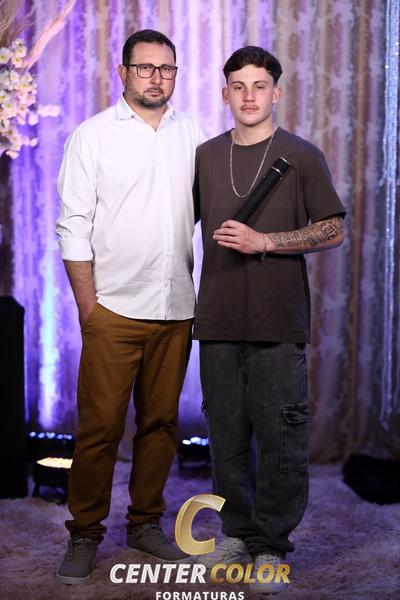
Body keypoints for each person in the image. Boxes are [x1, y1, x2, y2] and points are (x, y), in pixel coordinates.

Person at [55, 29, 205, 585]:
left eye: (166, 69)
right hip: (113, 309)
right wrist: (88, 308)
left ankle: (145, 524)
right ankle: (85, 533)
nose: (156, 78)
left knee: (161, 424)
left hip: (176, 306)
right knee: (99, 429)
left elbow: (204, 209)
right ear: (123, 73)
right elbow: (73, 224)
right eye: (145, 68)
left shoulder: (193, 133)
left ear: (175, 74)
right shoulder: (92, 136)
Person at [194, 46, 345, 594]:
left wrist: (266, 242)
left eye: (260, 85)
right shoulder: (206, 155)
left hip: (278, 321)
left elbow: (333, 229)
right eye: (239, 86)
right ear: (225, 93)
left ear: (276, 92)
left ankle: (272, 546)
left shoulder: (301, 155)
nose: (249, 95)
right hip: (216, 318)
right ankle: (237, 534)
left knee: (281, 440)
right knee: (226, 438)